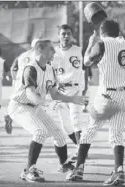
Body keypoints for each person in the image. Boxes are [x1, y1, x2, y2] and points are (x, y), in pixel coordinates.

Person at [66, 20, 125, 186]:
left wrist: (91, 43)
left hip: (106, 96)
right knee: (116, 135)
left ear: (102, 32)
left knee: (89, 132)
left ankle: (79, 168)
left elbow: (86, 62)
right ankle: (119, 171)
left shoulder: (101, 43)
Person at [7, 39, 89, 182]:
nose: (54, 51)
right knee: (40, 132)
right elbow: (30, 94)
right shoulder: (30, 68)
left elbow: (55, 94)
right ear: (40, 51)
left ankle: (63, 164)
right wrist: (47, 103)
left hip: (35, 107)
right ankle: (29, 170)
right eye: (50, 49)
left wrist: (72, 99)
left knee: (59, 135)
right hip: (20, 106)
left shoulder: (50, 69)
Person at [50, 24, 88, 162]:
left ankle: (80, 153)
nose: (66, 36)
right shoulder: (53, 53)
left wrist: (85, 88)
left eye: (68, 33)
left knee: (76, 119)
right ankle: (80, 147)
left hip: (75, 88)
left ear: (72, 36)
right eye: (63, 34)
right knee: (66, 126)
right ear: (59, 36)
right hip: (60, 91)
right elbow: (50, 73)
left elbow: (86, 68)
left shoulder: (79, 50)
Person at [4, 38, 40, 134]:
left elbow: (13, 68)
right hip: (30, 83)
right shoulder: (39, 56)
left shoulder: (22, 55)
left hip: (19, 82)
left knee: (18, 101)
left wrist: (15, 79)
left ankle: (9, 115)